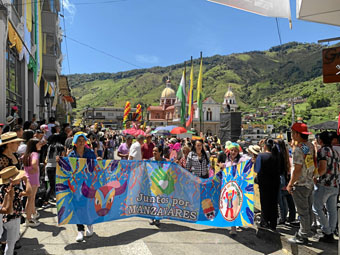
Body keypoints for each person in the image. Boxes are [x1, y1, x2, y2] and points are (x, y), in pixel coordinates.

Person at [67, 133, 98, 242]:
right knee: (77, 207)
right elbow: (67, 169)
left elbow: (95, 167)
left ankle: (89, 224)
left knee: (87, 205)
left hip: (88, 184)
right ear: (75, 143)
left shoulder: (90, 153)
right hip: (75, 185)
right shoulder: (71, 155)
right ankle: (80, 229)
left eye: (83, 140)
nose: (81, 142)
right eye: (79, 140)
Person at [287, 123, 315, 245]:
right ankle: (307, 231)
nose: (292, 135)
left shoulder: (298, 149)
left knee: (303, 211)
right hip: (309, 182)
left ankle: (303, 235)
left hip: (301, 184)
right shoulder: (309, 146)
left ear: (298, 134)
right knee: (308, 209)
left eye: (293, 133)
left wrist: (290, 184)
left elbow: (297, 170)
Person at [312, 131, 340, 243]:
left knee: (316, 207)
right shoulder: (335, 151)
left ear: (321, 140)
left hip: (324, 184)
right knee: (331, 210)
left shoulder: (322, 151)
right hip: (335, 184)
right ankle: (331, 231)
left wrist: (315, 176)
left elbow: (322, 168)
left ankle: (326, 230)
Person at [254, 139, 281, 231]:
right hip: (275, 182)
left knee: (265, 203)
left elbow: (256, 169)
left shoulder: (261, 156)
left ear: (265, 146)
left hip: (264, 182)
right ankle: (273, 223)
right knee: (273, 203)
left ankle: (264, 222)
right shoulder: (277, 156)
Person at [224, 142, 249, 236]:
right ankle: (233, 228)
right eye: (231, 150)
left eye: (235, 150)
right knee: (231, 206)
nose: (233, 152)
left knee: (237, 206)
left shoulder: (242, 159)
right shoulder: (227, 160)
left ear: (238, 152)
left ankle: (236, 224)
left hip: (239, 187)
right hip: (229, 188)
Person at [23, 138, 45, 227]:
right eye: (39, 144)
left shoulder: (27, 154)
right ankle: (28, 219)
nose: (40, 145)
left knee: (30, 199)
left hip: (27, 178)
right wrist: (35, 168)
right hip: (33, 179)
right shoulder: (35, 154)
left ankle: (31, 214)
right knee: (31, 199)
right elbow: (34, 163)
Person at [44, 134, 65, 207]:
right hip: (57, 167)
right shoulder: (60, 146)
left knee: (51, 185)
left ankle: (46, 201)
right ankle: (49, 200)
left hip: (49, 166)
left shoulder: (50, 146)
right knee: (57, 184)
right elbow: (63, 157)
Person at [149, 145, 166, 227]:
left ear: (160, 152)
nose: (154, 153)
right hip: (152, 184)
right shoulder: (150, 161)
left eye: (156, 151)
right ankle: (152, 218)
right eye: (153, 151)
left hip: (161, 185)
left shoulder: (165, 161)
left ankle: (158, 218)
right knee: (152, 201)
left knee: (159, 202)